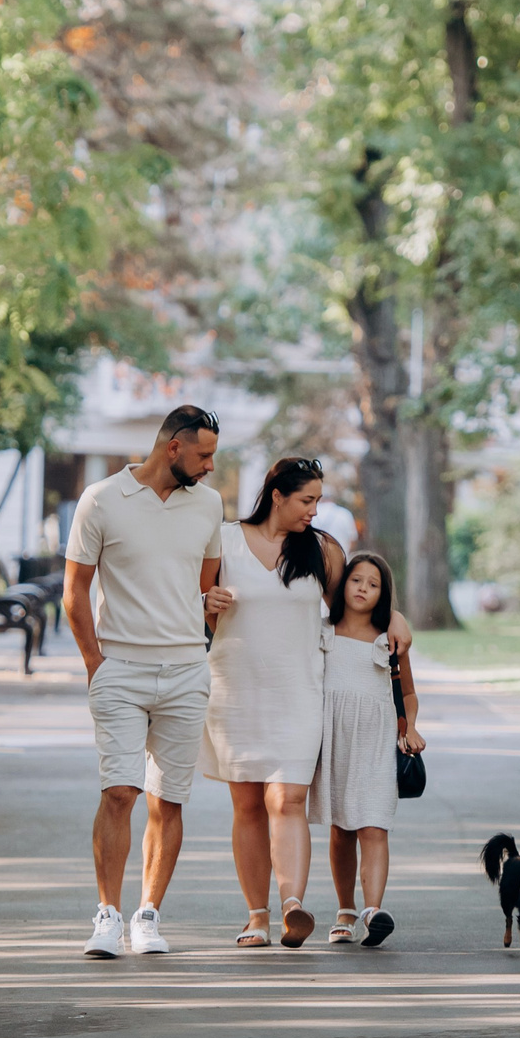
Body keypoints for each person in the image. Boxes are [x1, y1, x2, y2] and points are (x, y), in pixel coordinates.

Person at [64, 404, 232, 957]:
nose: (210, 467)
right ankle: (107, 915)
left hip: (186, 670)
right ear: (174, 448)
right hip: (120, 669)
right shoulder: (102, 499)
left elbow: (204, 590)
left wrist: (209, 611)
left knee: (168, 798)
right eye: (204, 455)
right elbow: (75, 595)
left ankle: (147, 915)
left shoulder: (208, 505)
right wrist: (97, 666)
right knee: (119, 791)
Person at [204, 456, 342, 947]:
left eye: (318, 501)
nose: (314, 510)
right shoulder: (222, 540)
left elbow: (351, 613)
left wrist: (395, 619)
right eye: (307, 500)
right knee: (247, 805)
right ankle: (256, 917)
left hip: (300, 690)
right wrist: (206, 604)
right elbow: (192, 607)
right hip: (236, 689)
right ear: (277, 495)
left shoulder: (323, 550)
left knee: (288, 799)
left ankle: (292, 906)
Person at [309, 551, 421, 945]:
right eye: (357, 580)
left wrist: (411, 729)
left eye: (374, 585)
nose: (363, 589)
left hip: (376, 741)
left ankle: (373, 910)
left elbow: (406, 692)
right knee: (341, 828)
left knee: (375, 825)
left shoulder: (388, 639)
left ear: (383, 594)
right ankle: (345, 908)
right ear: (343, 585)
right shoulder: (323, 629)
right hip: (334, 740)